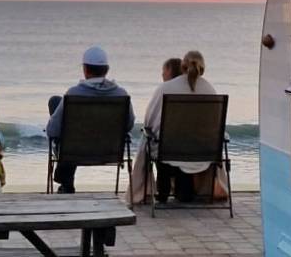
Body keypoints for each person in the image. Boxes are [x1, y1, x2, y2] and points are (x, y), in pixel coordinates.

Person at [46, 46, 135, 194]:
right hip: (110, 150)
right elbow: (129, 124)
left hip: (74, 151)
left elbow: (52, 130)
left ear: (85, 70)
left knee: (55, 102)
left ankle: (66, 184)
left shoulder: (73, 94)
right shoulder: (121, 94)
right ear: (106, 70)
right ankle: (66, 181)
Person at [143, 49, 220, 203]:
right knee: (186, 143)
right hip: (203, 152)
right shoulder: (210, 90)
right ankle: (185, 190)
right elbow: (215, 124)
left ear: (182, 66)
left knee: (159, 142)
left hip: (168, 152)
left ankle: (163, 190)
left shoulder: (166, 88)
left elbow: (149, 122)